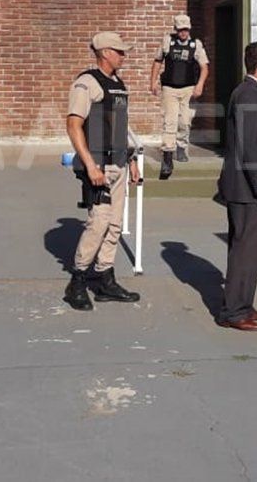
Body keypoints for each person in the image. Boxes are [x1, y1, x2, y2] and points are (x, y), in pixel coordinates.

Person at [64, 32, 142, 312]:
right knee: (99, 222)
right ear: (105, 52)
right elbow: (73, 125)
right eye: (119, 51)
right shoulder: (87, 83)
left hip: (119, 163)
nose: (123, 56)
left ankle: (105, 279)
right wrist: (90, 166)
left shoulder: (118, 84)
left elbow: (119, 126)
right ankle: (77, 281)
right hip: (98, 166)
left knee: (115, 225)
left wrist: (131, 159)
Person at [215, 41, 257, 331]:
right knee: (245, 250)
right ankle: (234, 312)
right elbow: (250, 145)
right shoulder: (249, 94)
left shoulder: (253, 92)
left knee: (249, 251)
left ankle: (243, 304)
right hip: (247, 189)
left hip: (247, 186)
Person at [150, 14, 209, 179]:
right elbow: (157, 61)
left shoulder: (195, 45)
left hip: (188, 88)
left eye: (186, 29)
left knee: (184, 122)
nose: (183, 33)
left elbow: (204, 66)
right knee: (170, 122)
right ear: (176, 29)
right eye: (180, 29)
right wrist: (153, 81)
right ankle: (167, 158)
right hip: (169, 88)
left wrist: (200, 85)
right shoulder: (168, 41)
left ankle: (182, 145)